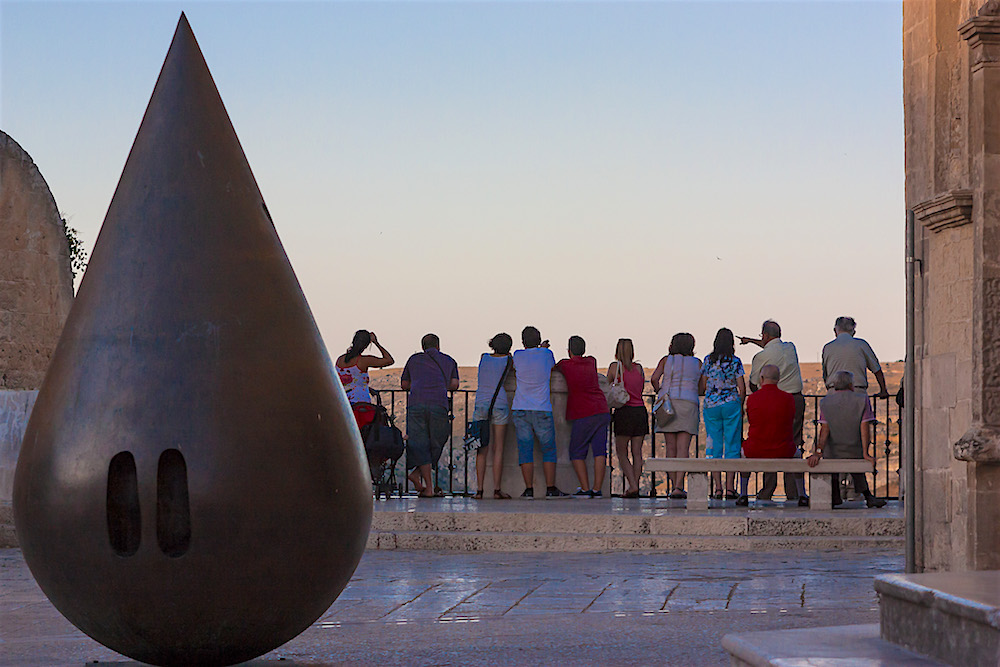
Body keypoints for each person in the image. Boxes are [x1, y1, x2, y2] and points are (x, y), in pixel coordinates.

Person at [739, 320, 806, 502]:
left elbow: (754, 383)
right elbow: (771, 343)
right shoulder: (791, 348)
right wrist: (752, 340)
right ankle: (794, 492)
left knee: (768, 436)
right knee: (792, 442)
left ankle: (768, 489)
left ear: (765, 335)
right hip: (795, 399)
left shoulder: (760, 358)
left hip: (770, 402)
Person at [807, 370, 887, 508]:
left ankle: (835, 495)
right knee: (856, 463)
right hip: (854, 449)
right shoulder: (862, 400)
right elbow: (864, 428)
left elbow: (824, 430)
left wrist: (819, 451)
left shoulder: (825, 402)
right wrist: (865, 453)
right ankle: (868, 495)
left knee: (832, 465)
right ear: (851, 385)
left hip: (832, 452)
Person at [737, 364, 808, 507]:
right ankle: (802, 494)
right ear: (779, 379)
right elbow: (791, 419)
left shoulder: (753, 399)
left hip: (756, 448)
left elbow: (751, 419)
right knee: (798, 454)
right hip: (783, 448)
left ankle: (743, 494)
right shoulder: (788, 398)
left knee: (743, 454)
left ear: (761, 378)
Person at [512, 326, 569, 499]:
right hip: (542, 408)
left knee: (525, 450)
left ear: (522, 342)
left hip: (520, 407)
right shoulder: (547, 354)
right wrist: (543, 349)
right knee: (549, 449)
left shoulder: (517, 355)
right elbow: (550, 365)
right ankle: (550, 488)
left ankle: (528, 489)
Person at [401, 333, 459, 498]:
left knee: (419, 443)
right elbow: (454, 384)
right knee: (438, 440)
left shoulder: (413, 359)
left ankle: (419, 477)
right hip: (438, 404)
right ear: (438, 346)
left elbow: (404, 384)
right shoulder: (449, 360)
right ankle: (429, 487)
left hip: (416, 403)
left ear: (422, 347)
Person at [555, 336, 611, 498]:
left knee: (576, 452)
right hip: (601, 409)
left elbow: (554, 368)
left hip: (583, 412)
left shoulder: (565, 365)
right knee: (600, 451)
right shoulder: (591, 361)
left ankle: (585, 488)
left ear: (569, 351)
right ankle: (597, 489)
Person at [650, 332, 701, 499]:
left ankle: (673, 486)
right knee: (683, 449)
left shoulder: (666, 360)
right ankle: (680, 485)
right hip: (688, 403)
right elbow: (701, 387)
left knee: (670, 448)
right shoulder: (697, 363)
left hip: (668, 404)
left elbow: (654, 378)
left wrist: (661, 392)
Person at [698, 328, 745, 500]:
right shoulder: (736, 361)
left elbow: (702, 386)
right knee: (732, 444)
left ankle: (718, 488)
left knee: (714, 444)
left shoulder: (708, 361)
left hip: (712, 405)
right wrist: (740, 404)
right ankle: (730, 488)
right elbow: (742, 388)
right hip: (731, 404)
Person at [472, 333, 514, 500]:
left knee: (481, 449)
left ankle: (480, 490)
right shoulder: (508, 361)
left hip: (481, 402)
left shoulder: (483, 357)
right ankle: (497, 490)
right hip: (499, 403)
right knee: (498, 448)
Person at [607, 338, 648, 498]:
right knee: (637, 453)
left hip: (624, 412)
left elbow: (607, 386)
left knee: (621, 452)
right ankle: (634, 485)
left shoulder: (614, 367)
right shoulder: (639, 368)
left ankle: (632, 485)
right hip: (640, 411)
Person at [335, 330, 394, 427]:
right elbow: (389, 360)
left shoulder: (340, 359)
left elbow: (348, 382)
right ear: (366, 346)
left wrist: (368, 388)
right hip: (361, 405)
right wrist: (376, 343)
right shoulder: (364, 361)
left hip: (343, 402)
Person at [821, 316, 890, 397]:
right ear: (853, 331)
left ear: (835, 330)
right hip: (857, 392)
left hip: (833, 392)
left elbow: (825, 375)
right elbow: (876, 369)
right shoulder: (861, 345)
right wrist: (883, 390)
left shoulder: (828, 347)